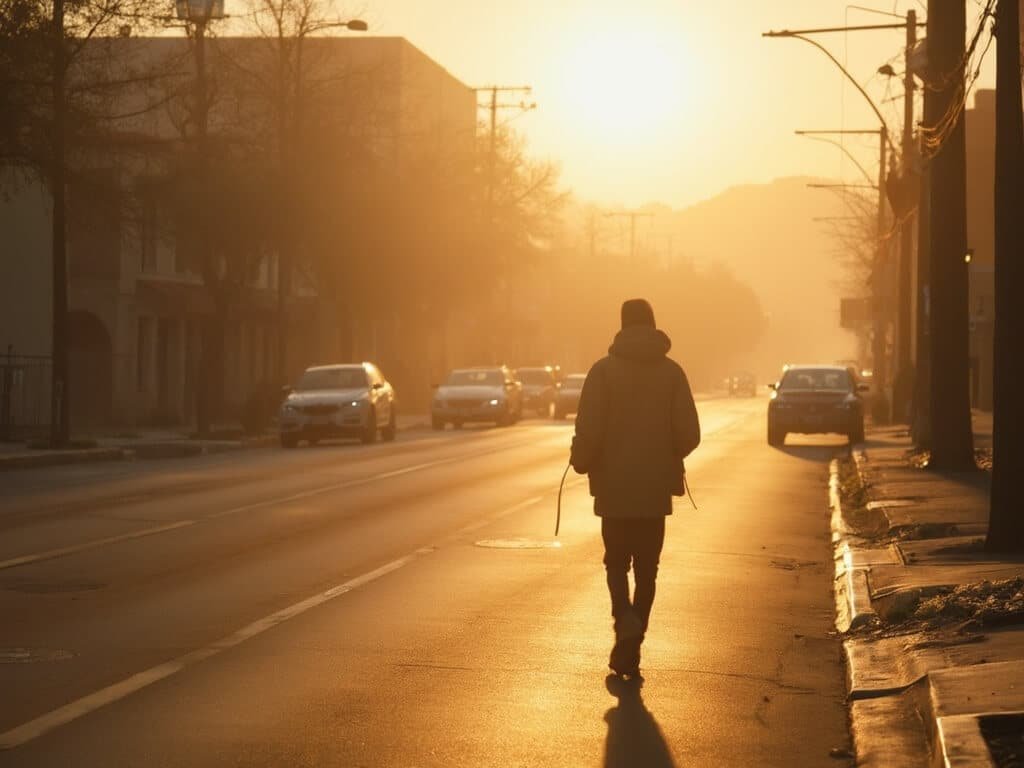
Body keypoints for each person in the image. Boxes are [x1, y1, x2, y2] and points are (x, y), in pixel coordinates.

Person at [570, 298, 701, 677]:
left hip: (613, 490)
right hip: (655, 489)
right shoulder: (673, 373)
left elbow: (589, 429)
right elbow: (689, 434)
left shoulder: (602, 373)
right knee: (648, 569)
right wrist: (667, 453)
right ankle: (634, 639)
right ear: (653, 325)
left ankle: (623, 620)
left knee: (615, 562)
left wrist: (581, 459)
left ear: (622, 326)